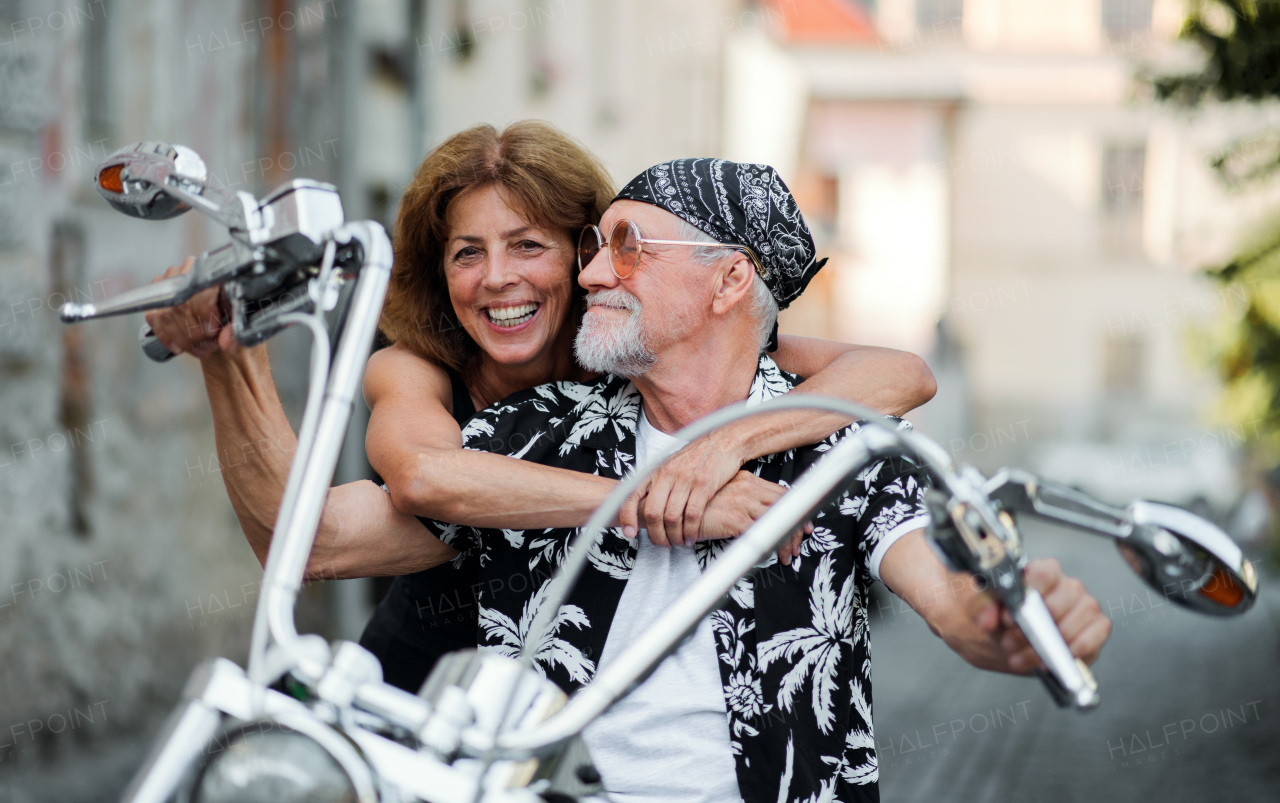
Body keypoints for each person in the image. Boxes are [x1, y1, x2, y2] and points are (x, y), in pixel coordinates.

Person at [405, 158, 1112, 803]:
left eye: (627, 247)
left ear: (730, 279)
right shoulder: (537, 429)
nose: (589, 274)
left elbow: (948, 594)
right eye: (594, 248)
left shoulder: (840, 443)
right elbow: (341, 533)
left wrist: (1003, 623)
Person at [144, 121, 937, 693]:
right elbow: (374, 503)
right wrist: (226, 354)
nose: (497, 279)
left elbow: (898, 373)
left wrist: (719, 449)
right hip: (418, 685)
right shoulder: (416, 368)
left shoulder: (641, 358)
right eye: (467, 253)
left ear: (586, 254)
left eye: (528, 245)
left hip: (554, 725)